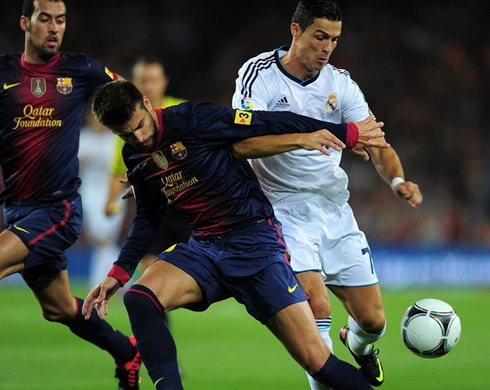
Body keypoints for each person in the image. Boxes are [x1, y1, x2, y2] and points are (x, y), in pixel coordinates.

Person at [82, 80, 388, 390]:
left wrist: (345, 133)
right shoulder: (134, 155)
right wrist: (118, 273)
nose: (139, 138)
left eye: (139, 126)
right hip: (204, 248)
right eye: (125, 134)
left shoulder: (193, 119)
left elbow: (267, 122)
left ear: (147, 104)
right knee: (140, 298)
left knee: (319, 363)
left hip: (254, 244)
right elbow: (149, 214)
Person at [231, 0, 423, 388]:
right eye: (320, 36)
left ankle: (360, 346)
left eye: (334, 39)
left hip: (334, 208)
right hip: (280, 207)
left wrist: (397, 181)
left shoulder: (340, 83)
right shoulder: (259, 75)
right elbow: (241, 142)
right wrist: (304, 137)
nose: (327, 47)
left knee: (373, 321)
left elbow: (376, 142)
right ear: (296, 31)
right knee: (316, 304)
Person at [0, 1, 141, 388]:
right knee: (59, 308)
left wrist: (144, 156)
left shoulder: (81, 69)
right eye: (45, 19)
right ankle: (126, 351)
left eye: (60, 20)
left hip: (57, 210)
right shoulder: (4, 72)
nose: (54, 28)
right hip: (16, 208)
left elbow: (130, 100)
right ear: (25, 23)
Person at [105, 57, 190, 274]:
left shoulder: (181, 110)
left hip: (189, 202)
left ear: (164, 82)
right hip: (157, 205)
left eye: (153, 80)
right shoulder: (129, 126)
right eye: (143, 80)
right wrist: (111, 199)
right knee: (148, 267)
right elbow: (118, 170)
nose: (149, 86)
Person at [79, 107, 126, 290]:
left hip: (114, 194)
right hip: (89, 193)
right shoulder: (83, 138)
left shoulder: (115, 139)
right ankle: (120, 280)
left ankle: (102, 284)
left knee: (105, 240)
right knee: (100, 239)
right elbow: (73, 167)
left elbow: (121, 168)